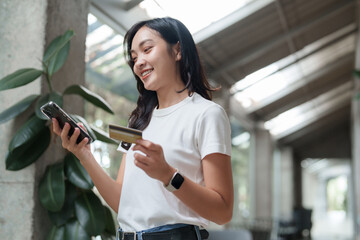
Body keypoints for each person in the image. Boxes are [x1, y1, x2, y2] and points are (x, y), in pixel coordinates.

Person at [52, 17, 233, 240]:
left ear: (177, 51)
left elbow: (223, 211)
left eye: (147, 49)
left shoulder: (207, 114)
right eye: (134, 57)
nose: (138, 63)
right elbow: (122, 202)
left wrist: (168, 175)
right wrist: (83, 154)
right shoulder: (137, 123)